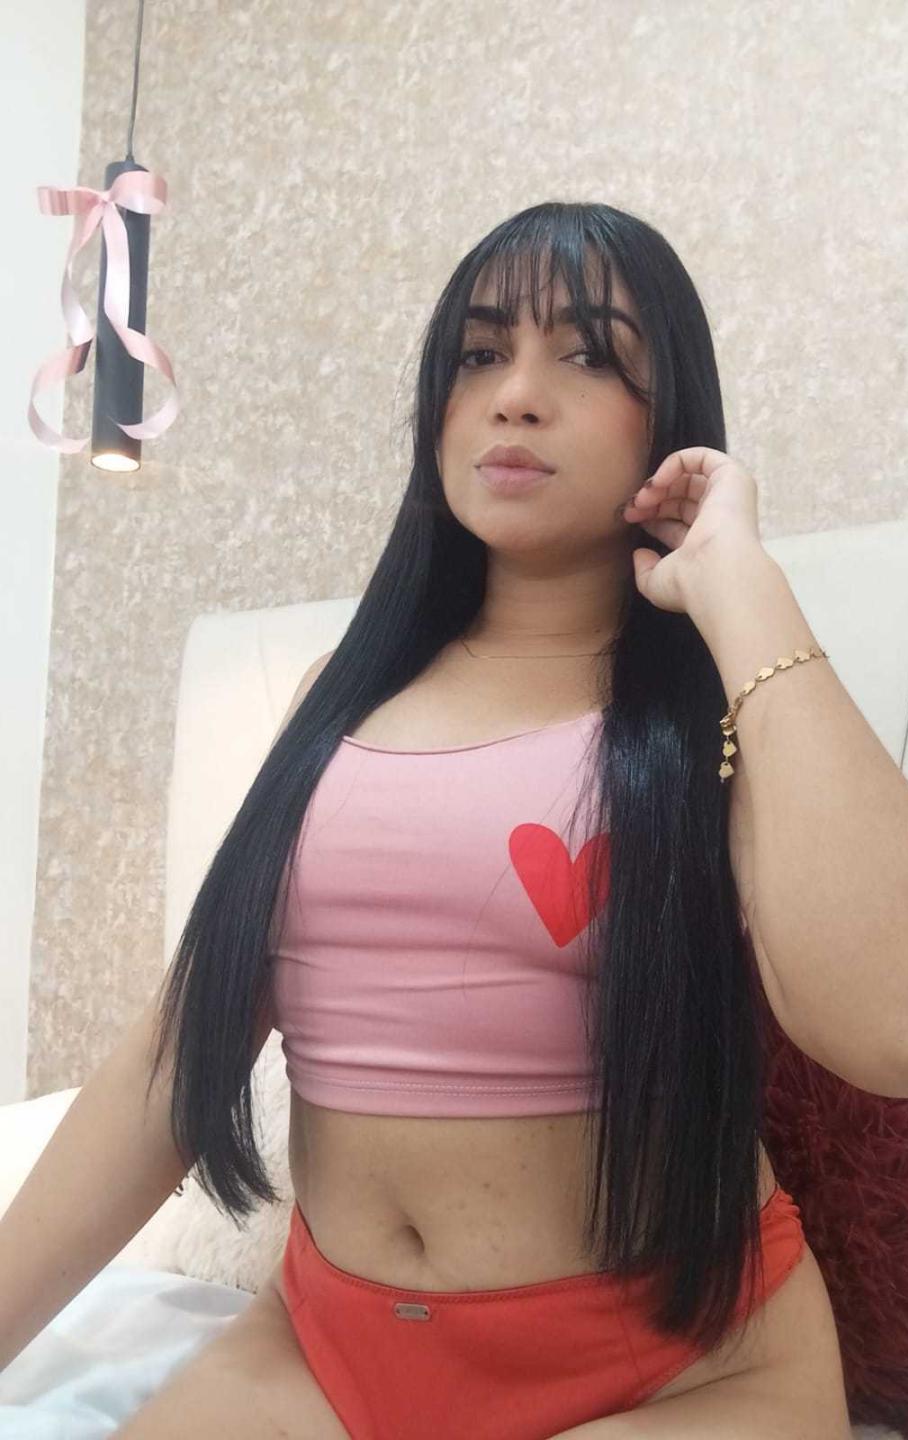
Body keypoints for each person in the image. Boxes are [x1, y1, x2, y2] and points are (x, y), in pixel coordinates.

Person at [1, 202, 852, 1438]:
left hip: (684, 1367)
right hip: (332, 1343)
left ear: (671, 419)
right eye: (479, 353)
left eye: (589, 354)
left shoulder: (726, 704)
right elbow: (185, 1049)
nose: (516, 396)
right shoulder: (332, 703)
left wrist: (743, 588)